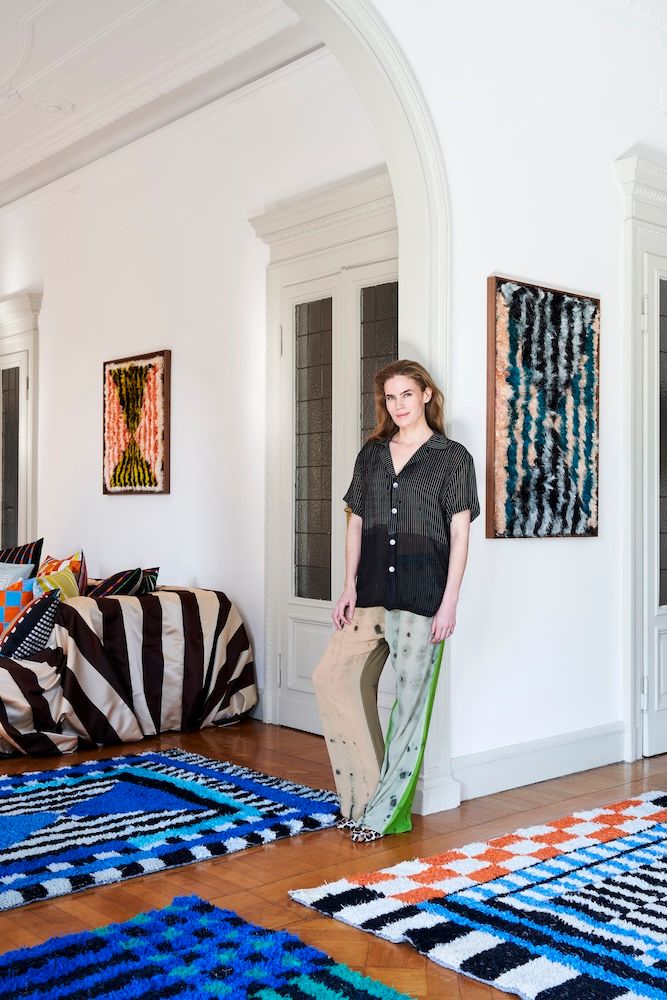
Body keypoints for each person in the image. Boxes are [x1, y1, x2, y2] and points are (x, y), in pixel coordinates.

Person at [312, 359, 479, 843]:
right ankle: (362, 795)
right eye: (390, 397)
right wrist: (347, 585)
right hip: (370, 590)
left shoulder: (453, 458)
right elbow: (357, 522)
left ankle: (388, 813)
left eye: (407, 394)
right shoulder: (372, 454)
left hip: (423, 594)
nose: (399, 404)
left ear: (427, 394)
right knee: (331, 678)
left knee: (408, 706)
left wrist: (449, 603)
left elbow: (459, 534)